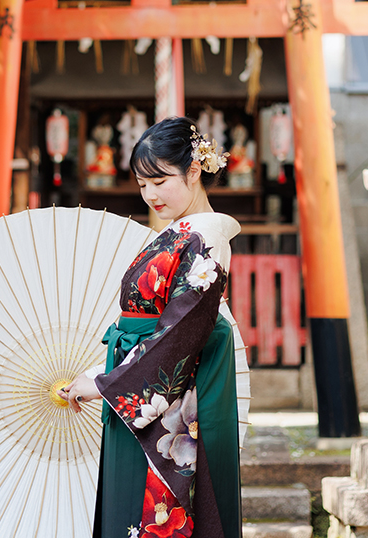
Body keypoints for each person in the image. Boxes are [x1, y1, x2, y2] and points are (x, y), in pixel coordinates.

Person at [59, 116, 242, 538]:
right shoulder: (176, 233)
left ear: (194, 171)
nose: (150, 194)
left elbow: (181, 331)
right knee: (130, 509)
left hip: (171, 400)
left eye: (160, 181)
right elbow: (143, 322)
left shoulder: (207, 237)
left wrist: (108, 383)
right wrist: (98, 372)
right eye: (143, 185)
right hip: (141, 389)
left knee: (160, 513)